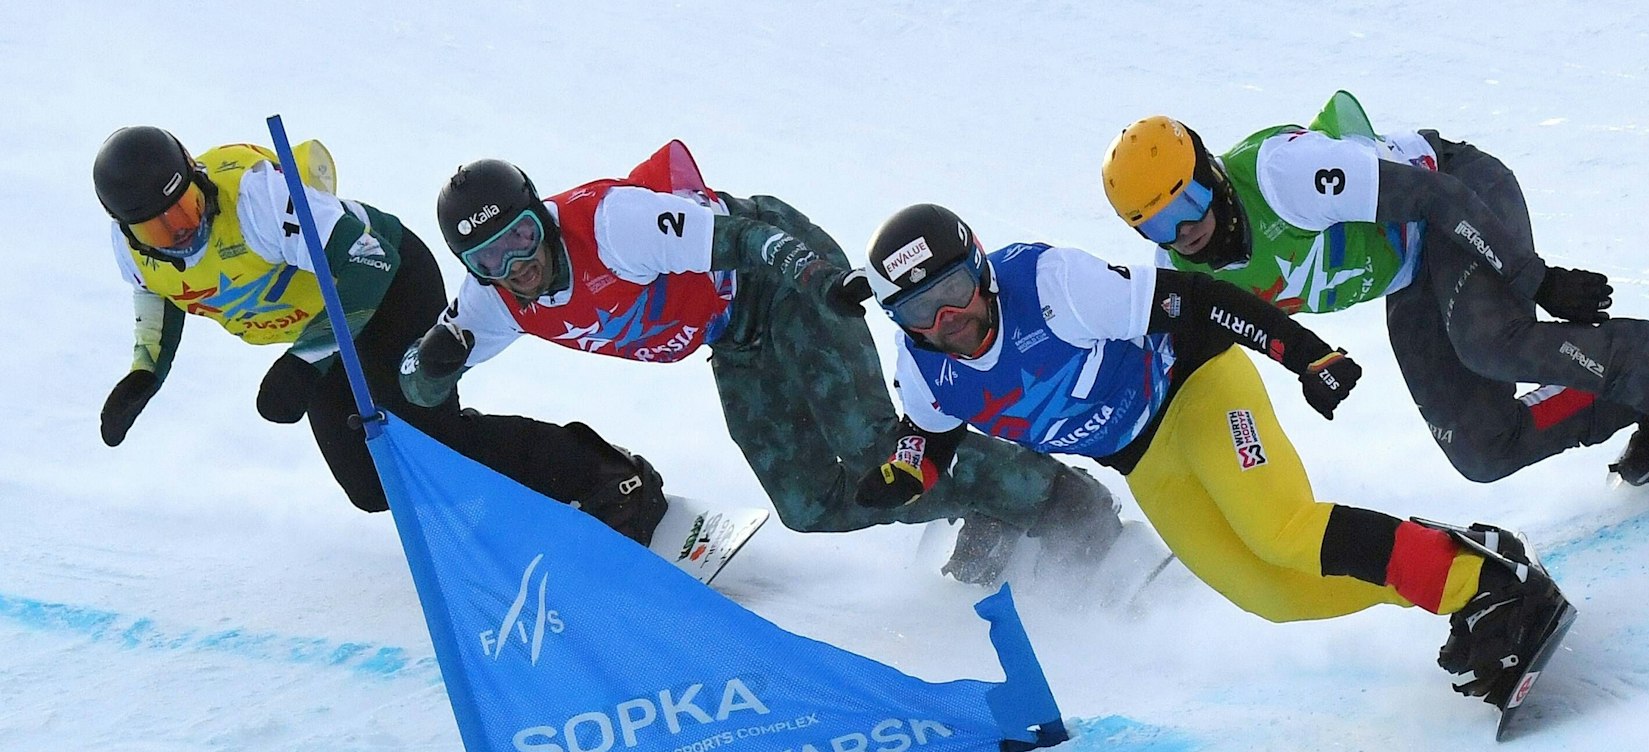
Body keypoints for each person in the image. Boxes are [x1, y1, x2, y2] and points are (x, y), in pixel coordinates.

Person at [860, 202, 1572, 703]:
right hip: (1141, 457)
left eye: (953, 292)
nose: (948, 322)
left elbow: (1196, 299)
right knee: (1266, 591)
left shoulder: (1053, 286)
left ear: (980, 269)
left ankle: (1482, 584)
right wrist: (906, 472)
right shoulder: (925, 366)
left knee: (1282, 529)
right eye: (920, 312)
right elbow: (930, 431)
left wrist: (1306, 355)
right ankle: (1456, 570)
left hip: (1197, 385)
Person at [405, 142, 1121, 584]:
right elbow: (414, 384)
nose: (519, 265)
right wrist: (431, 366)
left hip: (781, 283)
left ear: (541, 212)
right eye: (490, 259)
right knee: (809, 504)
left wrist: (816, 279)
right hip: (734, 335)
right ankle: (983, 499)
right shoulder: (491, 301)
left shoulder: (610, 223)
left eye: (524, 238)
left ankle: (1058, 500)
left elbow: (746, 239)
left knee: (871, 445)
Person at [1099, 95, 1649, 496]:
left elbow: (1434, 195)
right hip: (1412, 275)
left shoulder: (1286, 175)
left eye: (1189, 200)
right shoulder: (1191, 275)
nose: (1185, 229)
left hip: (1462, 197)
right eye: (1157, 224)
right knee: (1481, 448)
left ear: (1214, 174)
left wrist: (1534, 277)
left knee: (1491, 341)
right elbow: (1186, 371)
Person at [92, 126, 665, 542]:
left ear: (196, 179)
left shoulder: (256, 198)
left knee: (430, 436)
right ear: (127, 229)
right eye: (158, 226)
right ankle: (520, 500)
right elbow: (155, 291)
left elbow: (370, 263)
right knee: (372, 485)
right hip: (323, 332)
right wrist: (146, 372)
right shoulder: (134, 248)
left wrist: (304, 362)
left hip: (387, 289)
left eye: (189, 207)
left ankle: (608, 477)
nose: (181, 231)